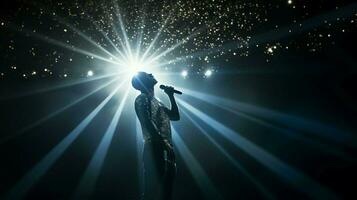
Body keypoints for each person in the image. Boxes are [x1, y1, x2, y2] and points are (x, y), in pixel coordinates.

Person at [132, 72, 180, 200]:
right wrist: (164, 144)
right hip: (154, 147)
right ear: (142, 81)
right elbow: (147, 122)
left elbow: (175, 116)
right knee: (153, 192)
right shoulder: (141, 98)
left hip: (165, 148)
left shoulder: (157, 101)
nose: (151, 74)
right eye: (148, 74)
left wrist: (171, 96)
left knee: (166, 193)